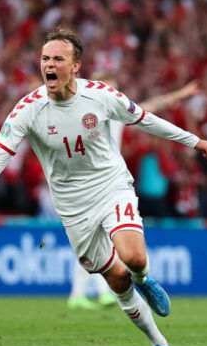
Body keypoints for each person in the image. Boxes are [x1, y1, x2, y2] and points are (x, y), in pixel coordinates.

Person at [0, 29, 207, 346]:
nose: (49, 65)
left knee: (133, 257)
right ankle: (159, 344)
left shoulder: (100, 95)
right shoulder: (28, 108)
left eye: (58, 59)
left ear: (76, 66)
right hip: (72, 208)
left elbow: (146, 119)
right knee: (116, 280)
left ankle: (145, 281)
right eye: (45, 59)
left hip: (111, 186)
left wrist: (194, 141)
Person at [67, 76, 199, 310]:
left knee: (96, 241)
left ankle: (84, 294)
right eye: (109, 88)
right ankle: (90, 293)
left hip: (106, 181)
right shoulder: (82, 113)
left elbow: (153, 105)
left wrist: (180, 94)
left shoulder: (116, 113)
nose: (113, 94)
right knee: (95, 241)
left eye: (116, 89)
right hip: (87, 182)